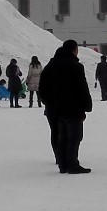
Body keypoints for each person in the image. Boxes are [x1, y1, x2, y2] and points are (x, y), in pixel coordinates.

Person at [38, 39, 94, 173]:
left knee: (61, 136)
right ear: (74, 50)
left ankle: (63, 164)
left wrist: (49, 102)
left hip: (56, 108)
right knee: (74, 137)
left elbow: (42, 87)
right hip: (73, 107)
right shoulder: (75, 66)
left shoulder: (51, 65)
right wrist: (87, 105)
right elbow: (82, 87)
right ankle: (72, 164)